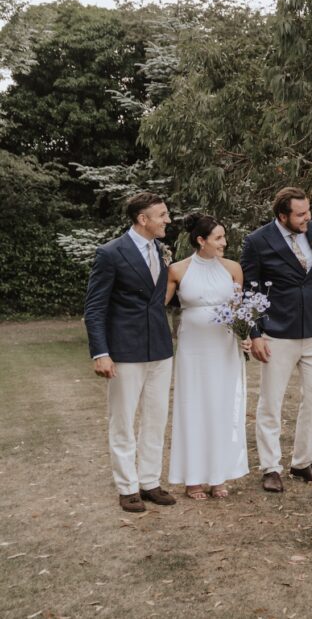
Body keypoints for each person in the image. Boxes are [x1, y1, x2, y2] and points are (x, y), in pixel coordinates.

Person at [84, 192, 177, 512]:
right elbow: (94, 308)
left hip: (161, 349)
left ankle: (149, 481)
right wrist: (100, 353)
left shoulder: (161, 250)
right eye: (162, 215)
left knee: (156, 418)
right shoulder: (110, 253)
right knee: (122, 420)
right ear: (143, 219)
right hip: (125, 350)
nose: (168, 220)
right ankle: (127, 486)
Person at [241, 187, 312, 493]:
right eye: (300, 213)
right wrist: (255, 334)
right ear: (283, 215)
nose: (308, 217)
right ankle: (270, 467)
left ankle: (303, 461)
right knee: (271, 401)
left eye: (308, 211)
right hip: (277, 332)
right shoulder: (257, 241)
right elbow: (250, 290)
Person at [165, 214, 250, 499]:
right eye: (218, 238)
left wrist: (246, 336)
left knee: (223, 405)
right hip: (193, 349)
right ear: (200, 241)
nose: (224, 242)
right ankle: (193, 478)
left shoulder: (233, 269)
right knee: (193, 406)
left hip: (224, 348)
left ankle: (219, 475)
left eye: (224, 237)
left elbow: (240, 312)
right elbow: (158, 306)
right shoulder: (177, 270)